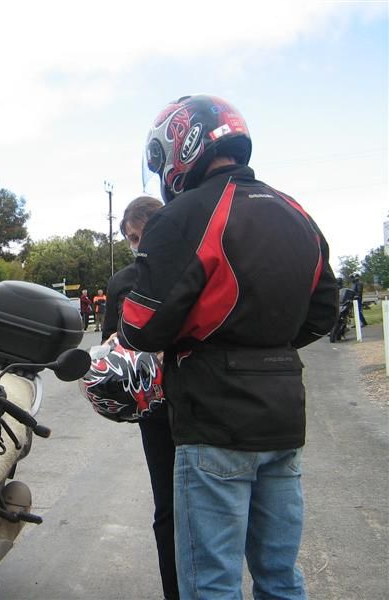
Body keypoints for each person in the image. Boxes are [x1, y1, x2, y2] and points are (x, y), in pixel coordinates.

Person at [119, 94, 338, 599]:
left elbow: (141, 327)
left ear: (182, 145)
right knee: (281, 577)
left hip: (214, 420)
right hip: (283, 419)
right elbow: (323, 310)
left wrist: (205, 334)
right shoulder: (296, 211)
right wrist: (265, 342)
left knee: (212, 584)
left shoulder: (183, 216)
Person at [101, 194, 179, 600]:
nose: (137, 244)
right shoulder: (122, 282)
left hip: (195, 402)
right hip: (155, 408)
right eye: (131, 238)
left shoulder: (190, 265)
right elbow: (108, 346)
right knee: (167, 508)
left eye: (141, 234)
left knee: (202, 508)